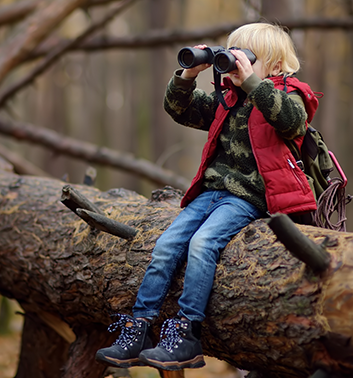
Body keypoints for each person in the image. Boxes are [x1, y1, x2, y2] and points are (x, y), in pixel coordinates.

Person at [95, 22, 319, 371]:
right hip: (211, 193)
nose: (234, 65)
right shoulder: (227, 100)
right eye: (230, 56)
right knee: (167, 245)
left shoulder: (290, 93)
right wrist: (187, 75)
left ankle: (186, 334)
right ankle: (138, 327)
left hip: (249, 197)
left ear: (274, 66)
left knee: (202, 244)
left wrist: (253, 84)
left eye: (245, 57)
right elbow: (179, 109)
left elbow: (290, 122)